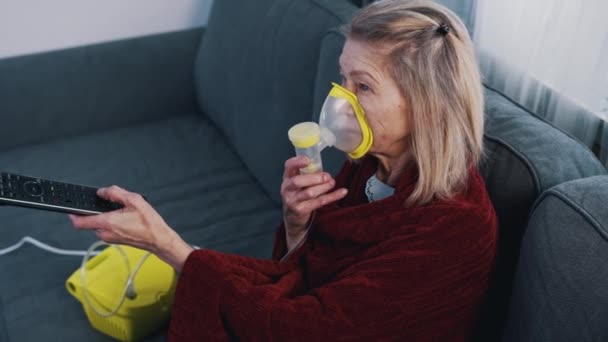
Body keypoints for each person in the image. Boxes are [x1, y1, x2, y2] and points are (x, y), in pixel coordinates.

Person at [69, 0, 497, 340]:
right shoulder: (368, 165)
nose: (339, 101)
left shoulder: (455, 225)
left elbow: (310, 328)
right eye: (341, 78)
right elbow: (308, 274)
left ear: (425, 104)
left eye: (362, 85)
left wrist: (168, 246)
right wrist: (298, 224)